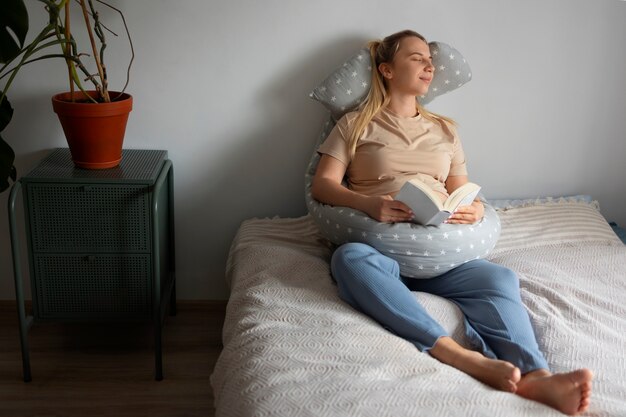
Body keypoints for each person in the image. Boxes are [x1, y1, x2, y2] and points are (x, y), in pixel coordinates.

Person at [311, 29, 593, 416]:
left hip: (441, 256)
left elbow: (462, 188)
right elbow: (323, 184)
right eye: (416, 57)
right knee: (349, 261)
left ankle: (538, 377)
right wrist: (367, 204)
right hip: (380, 246)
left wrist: (473, 209)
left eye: (430, 59)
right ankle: (461, 357)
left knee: (498, 279)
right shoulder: (355, 124)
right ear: (387, 70)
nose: (429, 65)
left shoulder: (445, 130)